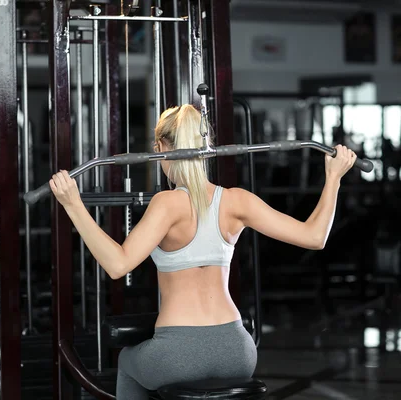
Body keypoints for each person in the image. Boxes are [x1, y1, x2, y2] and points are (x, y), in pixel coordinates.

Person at [49, 104, 356, 399]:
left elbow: (117, 265)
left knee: (128, 363)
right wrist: (334, 178)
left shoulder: (166, 204)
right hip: (238, 351)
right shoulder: (237, 201)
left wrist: (73, 205)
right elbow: (315, 237)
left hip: (177, 354)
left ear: (159, 149)